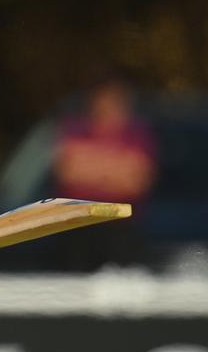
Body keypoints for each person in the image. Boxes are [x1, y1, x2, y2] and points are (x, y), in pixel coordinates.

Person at [52, 77, 157, 270]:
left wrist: (92, 168)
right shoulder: (75, 130)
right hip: (77, 227)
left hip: (121, 229)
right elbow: (68, 173)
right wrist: (114, 171)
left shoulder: (137, 136)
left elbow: (137, 180)